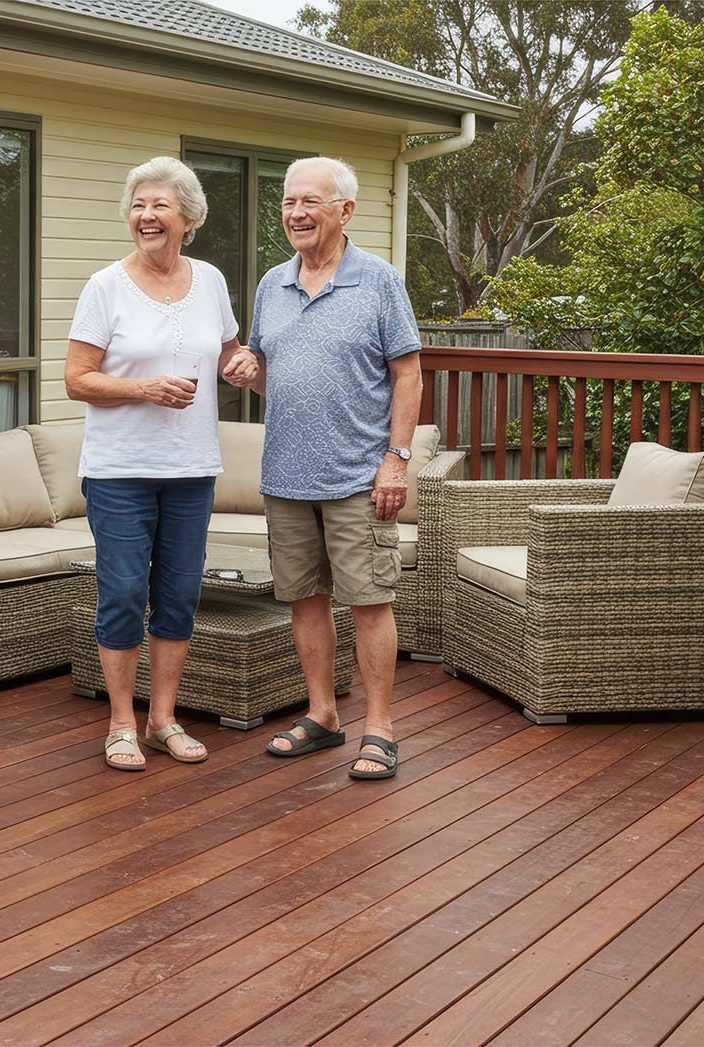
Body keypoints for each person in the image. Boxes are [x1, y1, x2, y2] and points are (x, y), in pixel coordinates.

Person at [65, 156, 259, 773]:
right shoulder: (105, 287)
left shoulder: (210, 281)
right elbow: (76, 380)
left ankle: (162, 719)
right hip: (119, 468)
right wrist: (145, 389)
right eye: (138, 206)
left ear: (188, 219)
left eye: (160, 206)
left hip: (191, 467)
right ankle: (121, 721)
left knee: (178, 595)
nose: (146, 216)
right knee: (123, 592)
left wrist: (243, 365)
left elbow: (230, 353)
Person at [251, 156, 422, 780]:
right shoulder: (273, 284)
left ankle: (379, 728)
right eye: (290, 202)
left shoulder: (378, 281)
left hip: (358, 476)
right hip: (285, 475)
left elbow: (408, 372)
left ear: (344, 211)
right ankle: (322, 715)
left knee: (369, 601)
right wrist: (250, 370)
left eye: (310, 202)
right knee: (304, 600)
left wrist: (395, 460)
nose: (296, 213)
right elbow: (277, 374)